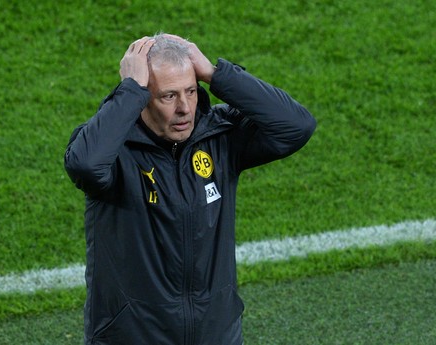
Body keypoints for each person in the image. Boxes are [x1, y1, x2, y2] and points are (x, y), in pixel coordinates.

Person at [64, 33, 316, 345]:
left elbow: (297, 126)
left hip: (215, 334)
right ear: (142, 97)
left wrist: (215, 73)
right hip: (135, 336)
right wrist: (128, 91)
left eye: (191, 91)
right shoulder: (114, 150)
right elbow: (85, 165)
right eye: (168, 96)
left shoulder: (219, 135)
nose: (185, 108)